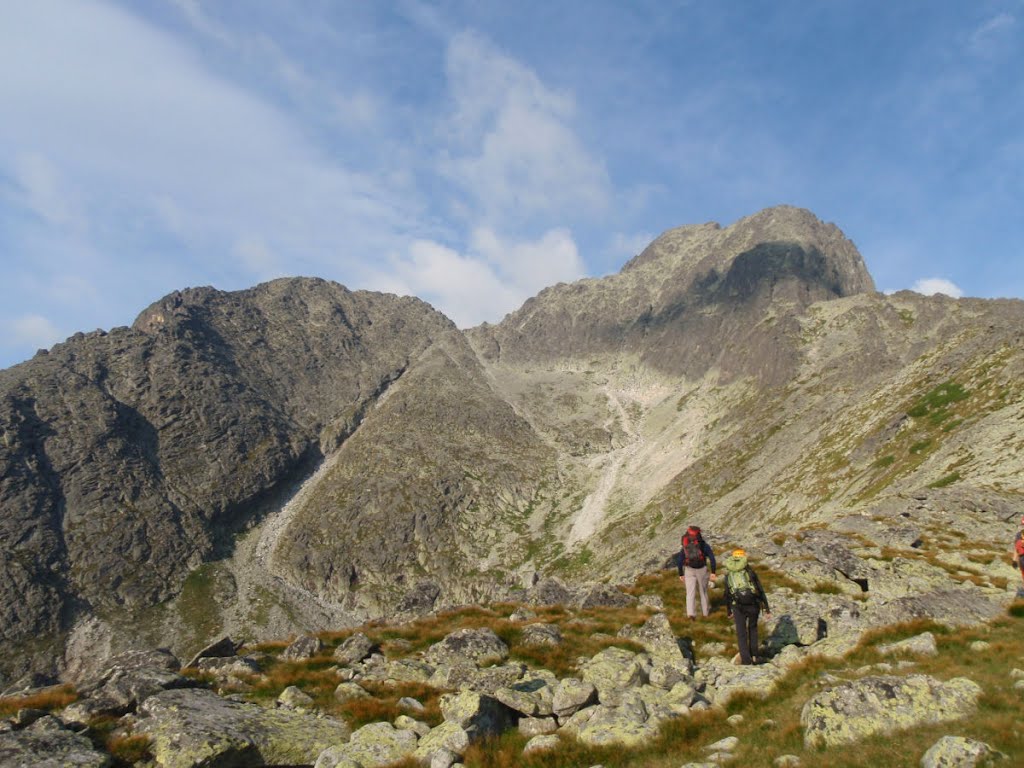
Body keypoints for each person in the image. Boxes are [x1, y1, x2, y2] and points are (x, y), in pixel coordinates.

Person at [723, 548, 771, 665]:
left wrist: (729, 610)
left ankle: (745, 659)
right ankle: (755, 655)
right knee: (753, 628)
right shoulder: (750, 572)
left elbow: (727, 594)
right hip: (753, 604)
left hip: (737, 606)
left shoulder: (729, 574)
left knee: (741, 632)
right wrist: (766, 608)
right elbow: (759, 589)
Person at [677, 525, 717, 620]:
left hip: (689, 570)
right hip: (702, 569)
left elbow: (680, 560)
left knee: (690, 593)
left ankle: (691, 614)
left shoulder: (685, 544)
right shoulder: (703, 544)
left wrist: (681, 574)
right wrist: (713, 572)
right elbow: (712, 558)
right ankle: (706, 613)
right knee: (703, 592)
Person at [1012, 516, 1024, 586]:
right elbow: (1016, 549)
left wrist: (1014, 560)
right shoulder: (1019, 535)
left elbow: (1016, 549)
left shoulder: (1019, 535)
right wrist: (1014, 560)